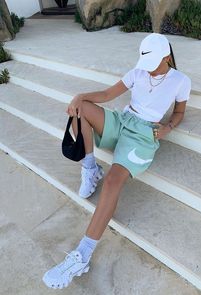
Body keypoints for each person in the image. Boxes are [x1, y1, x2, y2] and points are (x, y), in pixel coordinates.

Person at [43, 33, 191, 289]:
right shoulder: (138, 71)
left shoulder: (180, 81)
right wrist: (80, 96)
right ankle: (90, 168)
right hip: (123, 121)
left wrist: (168, 127)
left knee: (113, 183)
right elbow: (107, 93)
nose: (147, 68)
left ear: (167, 57)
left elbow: (179, 112)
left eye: (153, 62)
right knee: (83, 109)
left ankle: (82, 255)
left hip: (143, 136)